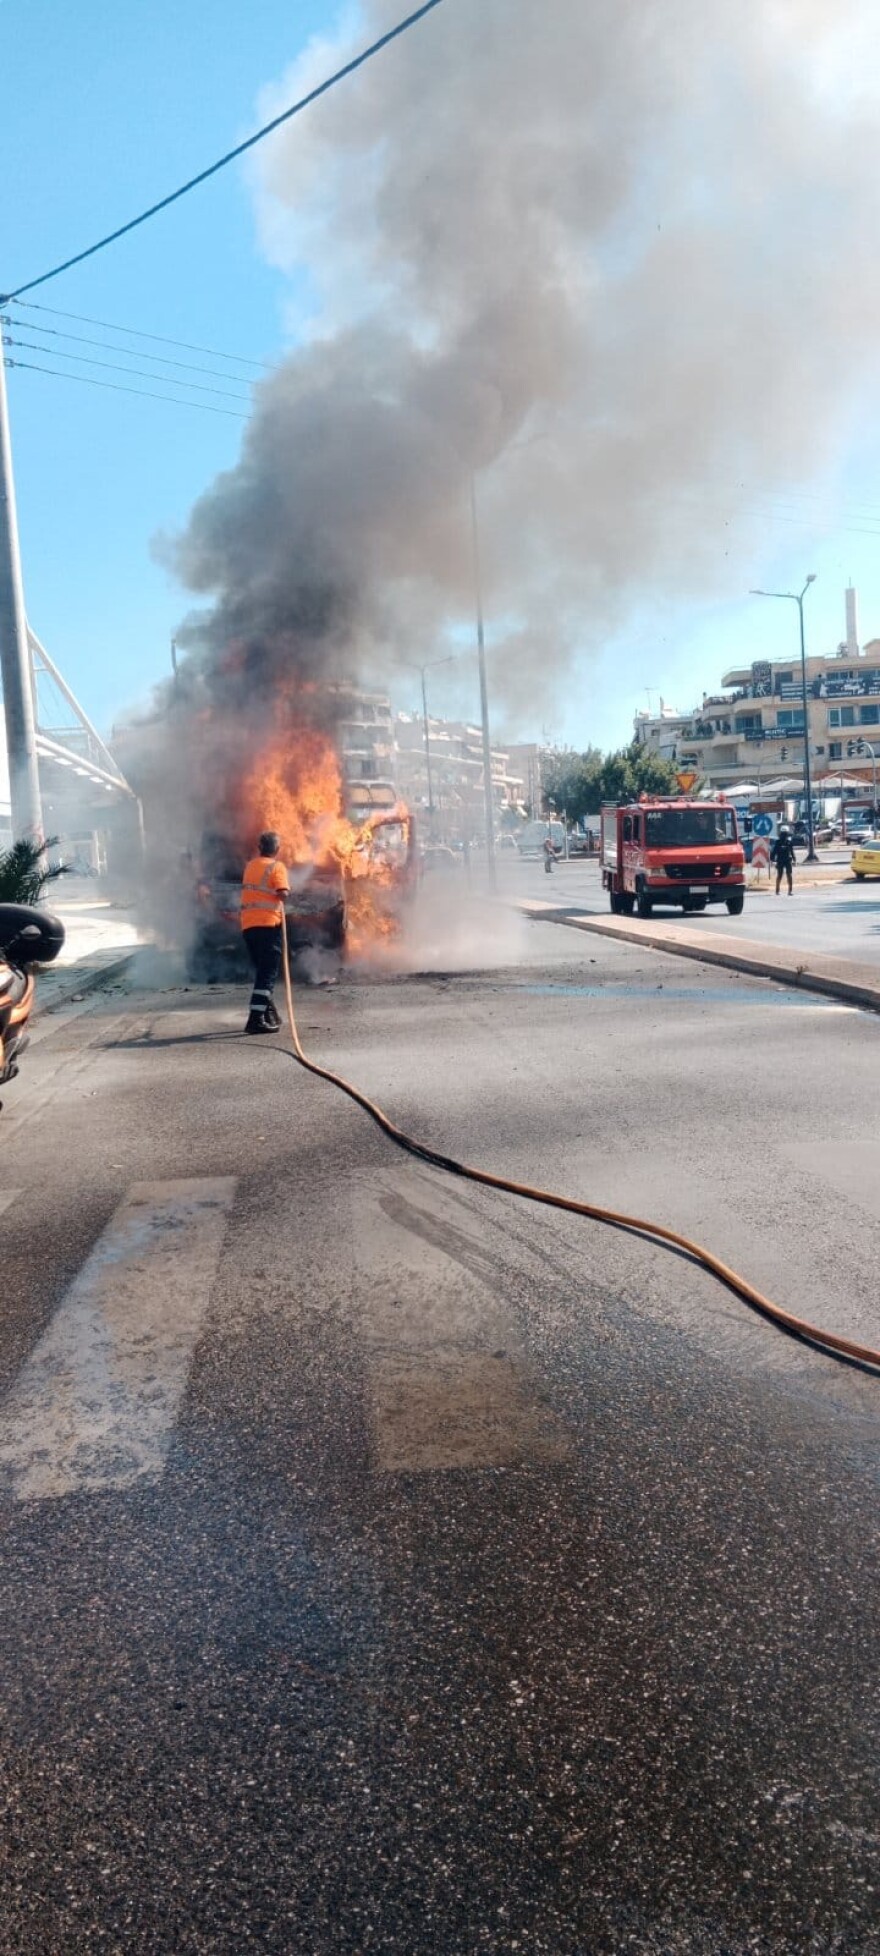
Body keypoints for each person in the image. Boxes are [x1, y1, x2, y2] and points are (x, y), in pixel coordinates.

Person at [240, 831, 290, 1034]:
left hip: (248, 926)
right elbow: (283, 893)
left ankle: (269, 1012)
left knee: (262, 973)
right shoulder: (277, 866)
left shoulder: (250, 866)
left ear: (259, 848)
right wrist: (285, 891)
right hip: (268, 925)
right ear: (277, 850)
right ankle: (256, 1019)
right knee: (267, 974)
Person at [771, 824, 796, 896]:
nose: (784, 835)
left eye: (785, 834)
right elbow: (774, 851)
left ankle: (790, 891)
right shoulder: (778, 842)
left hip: (788, 860)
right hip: (780, 860)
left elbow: (792, 851)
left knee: (789, 875)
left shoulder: (789, 842)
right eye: (783, 834)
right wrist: (772, 859)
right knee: (780, 875)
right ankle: (777, 890)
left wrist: (794, 859)